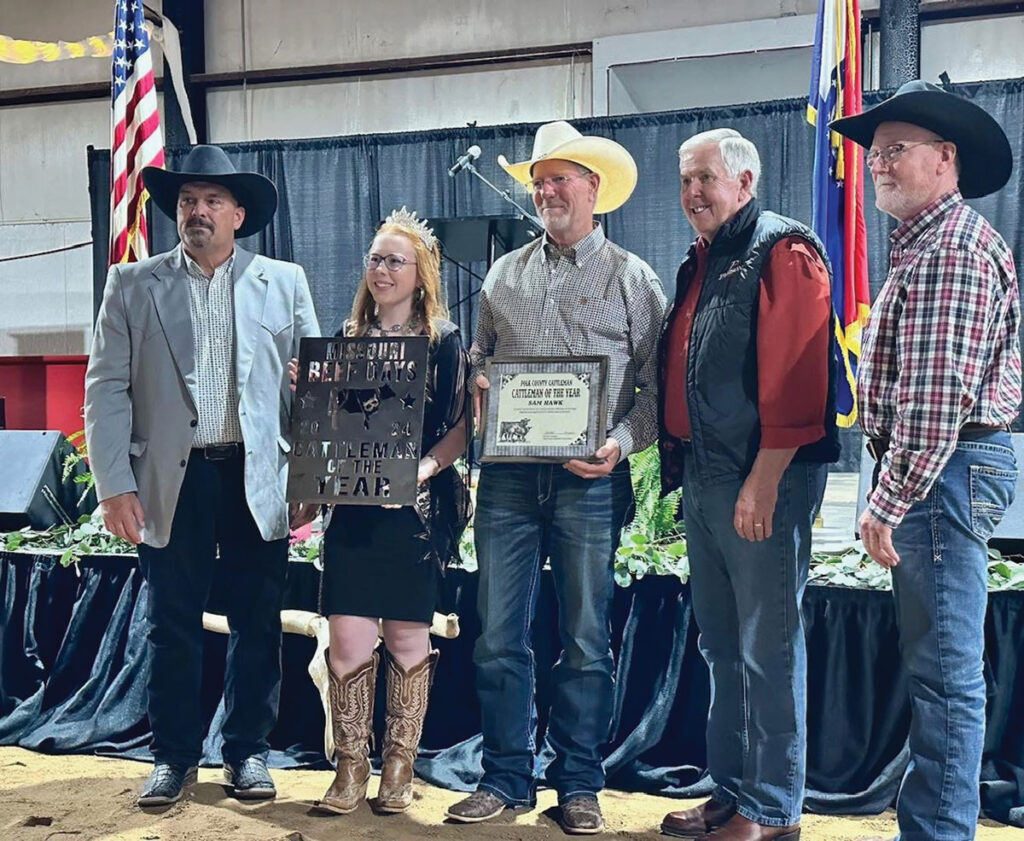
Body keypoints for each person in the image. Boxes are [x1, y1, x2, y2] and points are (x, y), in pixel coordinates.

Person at [445, 121, 666, 835]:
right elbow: (481, 355)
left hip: (590, 480)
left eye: (560, 178)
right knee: (497, 634)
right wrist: (477, 378)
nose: (546, 191)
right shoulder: (506, 272)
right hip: (508, 481)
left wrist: (619, 443)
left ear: (594, 190)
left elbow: (658, 392)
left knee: (585, 636)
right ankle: (506, 777)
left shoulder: (634, 278)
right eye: (539, 181)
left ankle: (578, 781)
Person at [84, 145, 320, 806]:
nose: (198, 210)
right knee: (170, 622)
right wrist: (114, 484)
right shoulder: (131, 285)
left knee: (259, 621)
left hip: (257, 471)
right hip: (169, 478)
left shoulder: (286, 282)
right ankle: (174, 755)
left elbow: (317, 393)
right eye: (188, 200)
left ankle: (247, 751)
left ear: (239, 214)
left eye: (213, 200)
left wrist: (308, 476)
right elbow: (105, 391)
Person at [831, 80, 1020, 841]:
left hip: (941, 473)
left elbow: (937, 397)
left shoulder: (950, 249)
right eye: (875, 153)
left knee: (945, 674)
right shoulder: (933, 243)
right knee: (943, 670)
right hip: (942, 472)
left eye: (895, 150)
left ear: (946, 159)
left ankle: (939, 834)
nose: (878, 163)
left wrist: (889, 495)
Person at [658, 129, 839, 841]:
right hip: (706, 477)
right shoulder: (703, 260)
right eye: (684, 181)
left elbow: (800, 377)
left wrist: (763, 480)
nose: (693, 192)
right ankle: (731, 792)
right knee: (721, 647)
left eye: (705, 177)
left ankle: (771, 810)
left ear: (745, 180)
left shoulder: (783, 250)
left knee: (770, 647)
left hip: (762, 477)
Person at [305, 208, 469, 816]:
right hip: (352, 512)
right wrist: (311, 391)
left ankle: (399, 764)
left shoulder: (444, 340)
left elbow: (458, 429)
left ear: (421, 273)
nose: (381, 269)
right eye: (375, 258)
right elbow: (327, 429)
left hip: (413, 514)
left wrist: (422, 469)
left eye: (394, 260)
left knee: (406, 633)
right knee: (347, 636)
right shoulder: (345, 340)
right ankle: (350, 765)